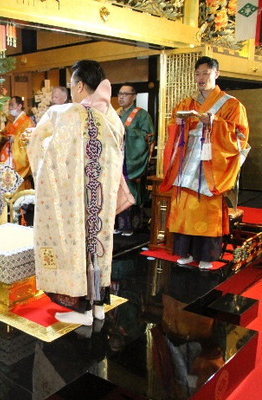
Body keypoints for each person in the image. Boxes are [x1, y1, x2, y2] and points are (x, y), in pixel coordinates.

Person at [27, 60, 124, 326]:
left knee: (75, 245)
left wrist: (38, 142)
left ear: (80, 85)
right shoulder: (111, 116)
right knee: (98, 246)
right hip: (101, 199)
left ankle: (81, 310)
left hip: (74, 201)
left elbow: (46, 149)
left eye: (71, 84)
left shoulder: (68, 114)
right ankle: (98, 305)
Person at [161, 56, 249, 270]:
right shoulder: (187, 103)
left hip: (211, 165)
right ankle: (185, 252)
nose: (201, 78)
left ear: (216, 74)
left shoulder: (232, 105)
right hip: (187, 162)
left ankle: (207, 256)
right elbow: (173, 127)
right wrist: (179, 123)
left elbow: (240, 137)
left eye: (206, 73)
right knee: (184, 208)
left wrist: (215, 123)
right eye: (197, 74)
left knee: (206, 211)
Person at [114, 83, 155, 236]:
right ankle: (117, 225)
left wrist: (128, 132)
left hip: (131, 161)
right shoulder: (115, 114)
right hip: (116, 160)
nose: (121, 97)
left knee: (130, 192)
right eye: (120, 94)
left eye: (125, 94)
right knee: (115, 192)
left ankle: (130, 226)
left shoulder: (142, 115)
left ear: (134, 97)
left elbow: (148, 137)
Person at [0, 96, 34, 189]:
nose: (10, 108)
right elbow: (4, 133)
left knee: (16, 180)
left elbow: (30, 139)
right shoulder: (11, 121)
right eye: (9, 105)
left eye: (12, 105)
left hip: (18, 156)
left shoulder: (27, 121)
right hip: (8, 155)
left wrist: (16, 139)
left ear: (19, 106)